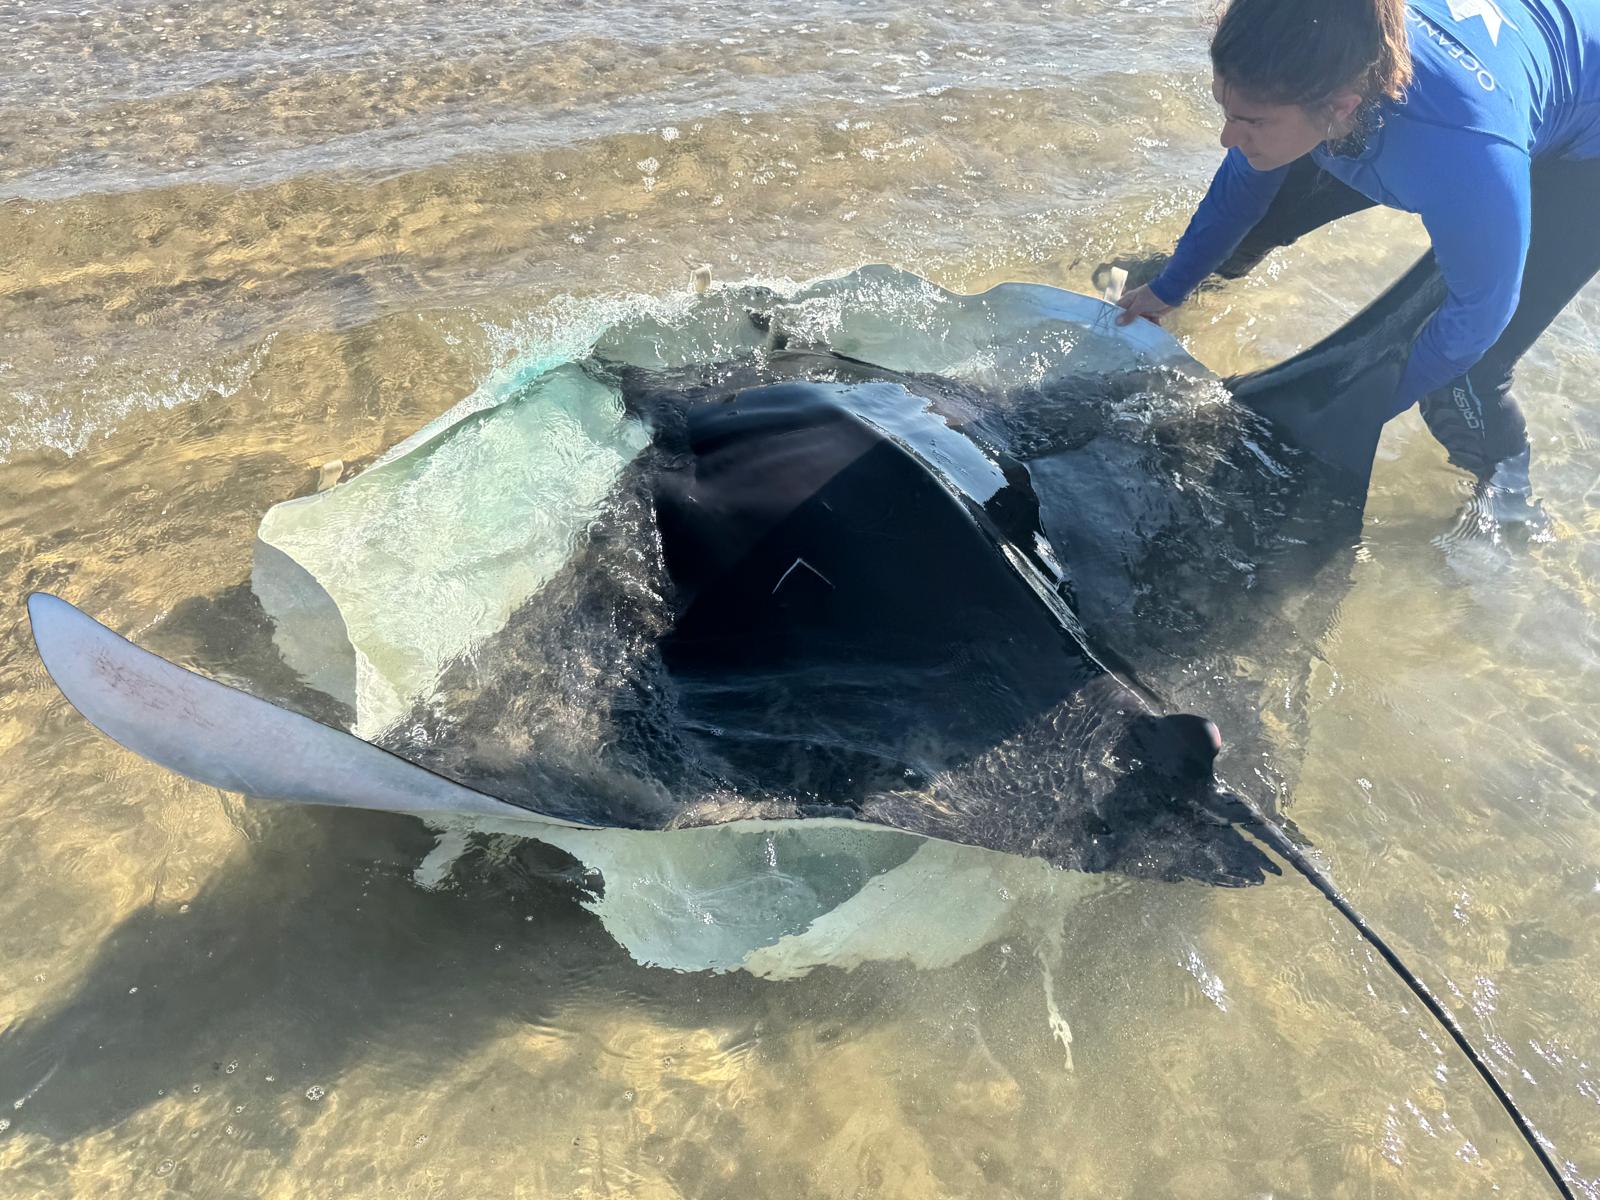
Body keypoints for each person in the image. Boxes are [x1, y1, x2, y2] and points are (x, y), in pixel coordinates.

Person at [1114, 0, 1600, 526]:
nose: (1227, 137)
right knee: (1246, 223)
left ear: (1340, 108)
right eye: (1225, 109)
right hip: (1492, 79)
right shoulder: (1311, 53)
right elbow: (1240, 189)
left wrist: (1346, 416)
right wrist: (1168, 288)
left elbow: (1481, 317)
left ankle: (1511, 508)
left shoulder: (1464, 156)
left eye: (1250, 121)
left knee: (1462, 378)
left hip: (1583, 148)